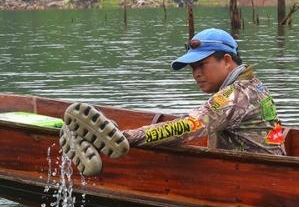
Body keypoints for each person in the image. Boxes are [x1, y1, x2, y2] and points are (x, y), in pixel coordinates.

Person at [121, 28, 285, 155]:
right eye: (193, 68)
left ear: (227, 61)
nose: (196, 73)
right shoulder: (254, 84)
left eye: (201, 65)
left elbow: (186, 128)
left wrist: (127, 138)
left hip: (252, 179)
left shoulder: (235, 95)